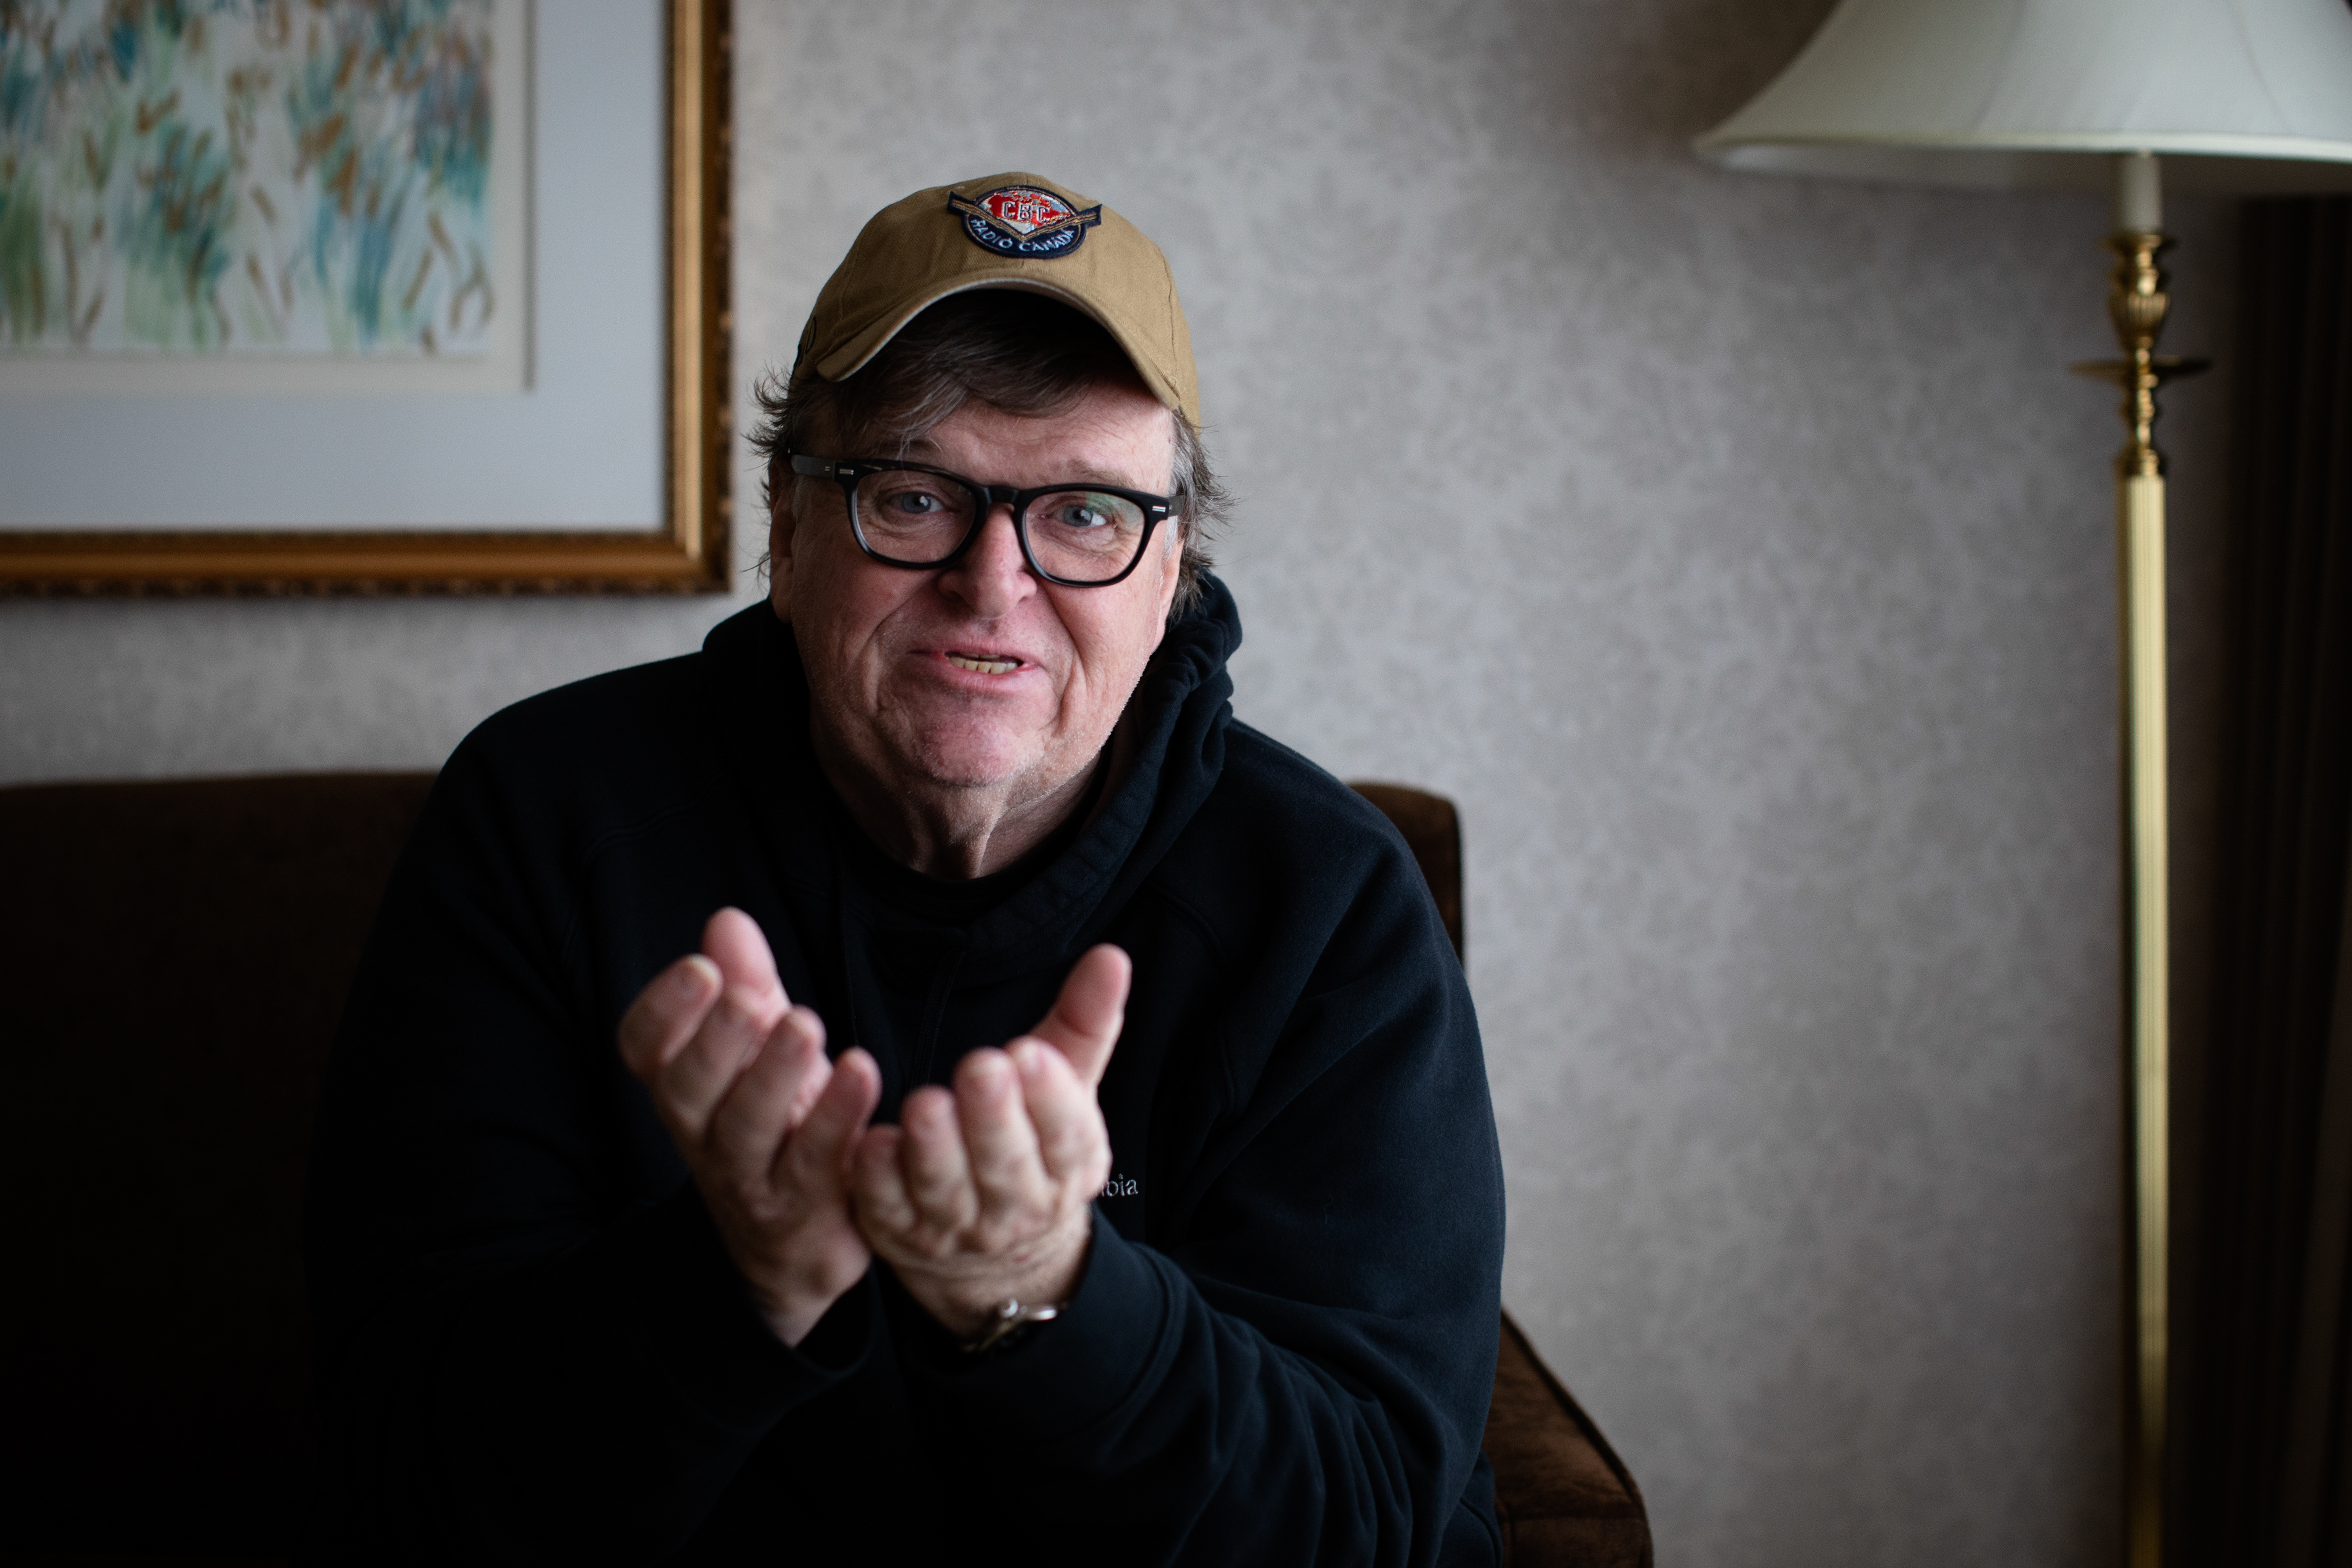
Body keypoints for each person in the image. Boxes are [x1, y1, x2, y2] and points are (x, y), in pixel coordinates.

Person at [304, 172, 1505, 1565]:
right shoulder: (544, 820)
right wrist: (733, 1279)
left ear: (1173, 572)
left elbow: (1365, 1524)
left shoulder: (1326, 903)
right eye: (917, 494)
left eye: (1085, 516)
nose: (995, 586)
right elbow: (399, 1483)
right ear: (788, 521)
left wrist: (1043, 1290)